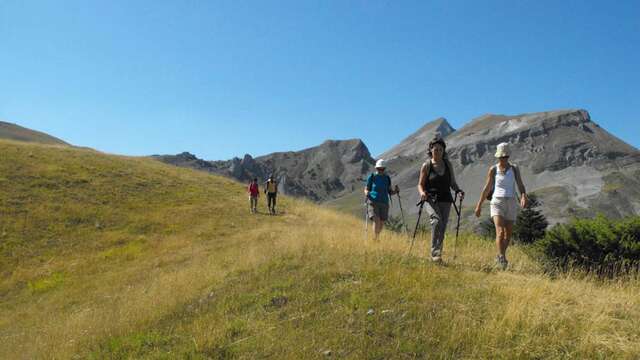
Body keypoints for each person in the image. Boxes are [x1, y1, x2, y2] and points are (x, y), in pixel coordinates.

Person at [474, 142, 528, 270]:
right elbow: (487, 188)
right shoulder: (493, 169)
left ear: (508, 156)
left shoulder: (514, 168)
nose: (503, 159)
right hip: (497, 201)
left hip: (511, 202)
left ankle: (500, 256)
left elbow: (520, 184)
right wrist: (479, 205)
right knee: (500, 232)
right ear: (498, 157)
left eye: (505, 157)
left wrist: (523, 196)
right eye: (501, 157)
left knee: (508, 234)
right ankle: (502, 259)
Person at [417, 137, 464, 262]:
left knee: (442, 227)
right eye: (435, 149)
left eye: (440, 149)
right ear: (430, 150)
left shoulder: (448, 164)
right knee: (436, 221)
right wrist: (422, 193)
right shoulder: (426, 165)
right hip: (430, 199)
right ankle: (435, 254)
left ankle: (438, 255)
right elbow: (420, 184)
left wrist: (458, 191)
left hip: (446, 199)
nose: (438, 151)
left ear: (444, 151)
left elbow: (452, 183)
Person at [365, 159, 399, 240]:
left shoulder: (387, 178)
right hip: (373, 201)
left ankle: (376, 237)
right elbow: (366, 188)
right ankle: (375, 239)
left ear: (384, 169)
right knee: (376, 221)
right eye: (379, 169)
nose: (381, 170)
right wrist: (366, 193)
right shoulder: (372, 177)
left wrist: (396, 191)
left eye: (382, 169)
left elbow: (390, 192)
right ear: (376, 168)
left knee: (382, 222)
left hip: (384, 202)